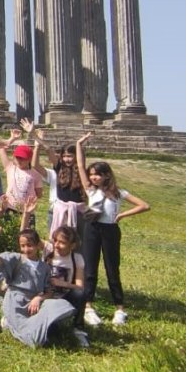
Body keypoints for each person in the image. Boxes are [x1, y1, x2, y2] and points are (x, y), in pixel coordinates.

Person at [76, 133, 150, 327]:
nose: (93, 177)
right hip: (92, 229)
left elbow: (144, 205)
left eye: (98, 174)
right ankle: (89, 307)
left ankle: (119, 309)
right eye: (92, 174)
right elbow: (80, 166)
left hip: (110, 230)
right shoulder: (90, 189)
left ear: (107, 175)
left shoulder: (118, 193)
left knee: (112, 269)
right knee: (90, 269)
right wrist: (79, 145)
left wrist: (123, 215)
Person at [0, 223, 75, 348]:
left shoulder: (44, 267)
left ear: (38, 245)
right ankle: (12, 322)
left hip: (34, 303)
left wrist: (39, 298)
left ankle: (44, 327)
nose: (26, 249)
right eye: (23, 246)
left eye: (30, 245)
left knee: (60, 304)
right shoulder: (16, 259)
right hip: (16, 303)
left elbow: (49, 292)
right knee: (31, 335)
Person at [30, 123, 88, 239]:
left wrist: (79, 145)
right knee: (57, 240)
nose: (67, 159)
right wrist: (34, 135)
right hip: (61, 211)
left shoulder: (83, 172)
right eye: (65, 156)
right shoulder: (60, 169)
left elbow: (81, 165)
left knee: (78, 243)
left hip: (79, 212)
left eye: (70, 156)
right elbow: (47, 151)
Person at [45, 225, 89, 346]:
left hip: (64, 296)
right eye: (55, 241)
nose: (57, 245)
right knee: (54, 332)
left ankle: (78, 329)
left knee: (80, 294)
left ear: (72, 246)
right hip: (46, 297)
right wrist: (27, 214)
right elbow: (27, 236)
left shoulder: (77, 259)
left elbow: (80, 287)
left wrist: (64, 284)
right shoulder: (48, 251)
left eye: (62, 242)